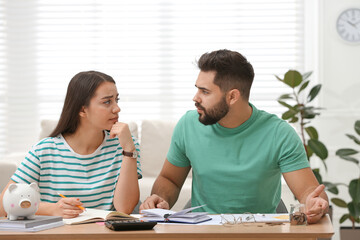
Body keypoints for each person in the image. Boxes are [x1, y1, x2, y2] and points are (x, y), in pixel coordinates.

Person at [140, 49, 329, 224]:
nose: (195, 98)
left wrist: (314, 203)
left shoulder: (279, 133)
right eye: (197, 88)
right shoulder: (188, 125)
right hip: (202, 226)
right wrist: (161, 198)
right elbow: (170, 179)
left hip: (261, 228)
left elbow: (307, 191)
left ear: (232, 97)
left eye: (205, 91)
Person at [0, 71, 141, 218]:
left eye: (116, 100)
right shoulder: (44, 150)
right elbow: (3, 206)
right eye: (107, 102)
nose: (117, 108)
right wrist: (51, 209)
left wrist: (129, 150)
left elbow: (125, 209)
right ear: (82, 109)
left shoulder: (126, 146)